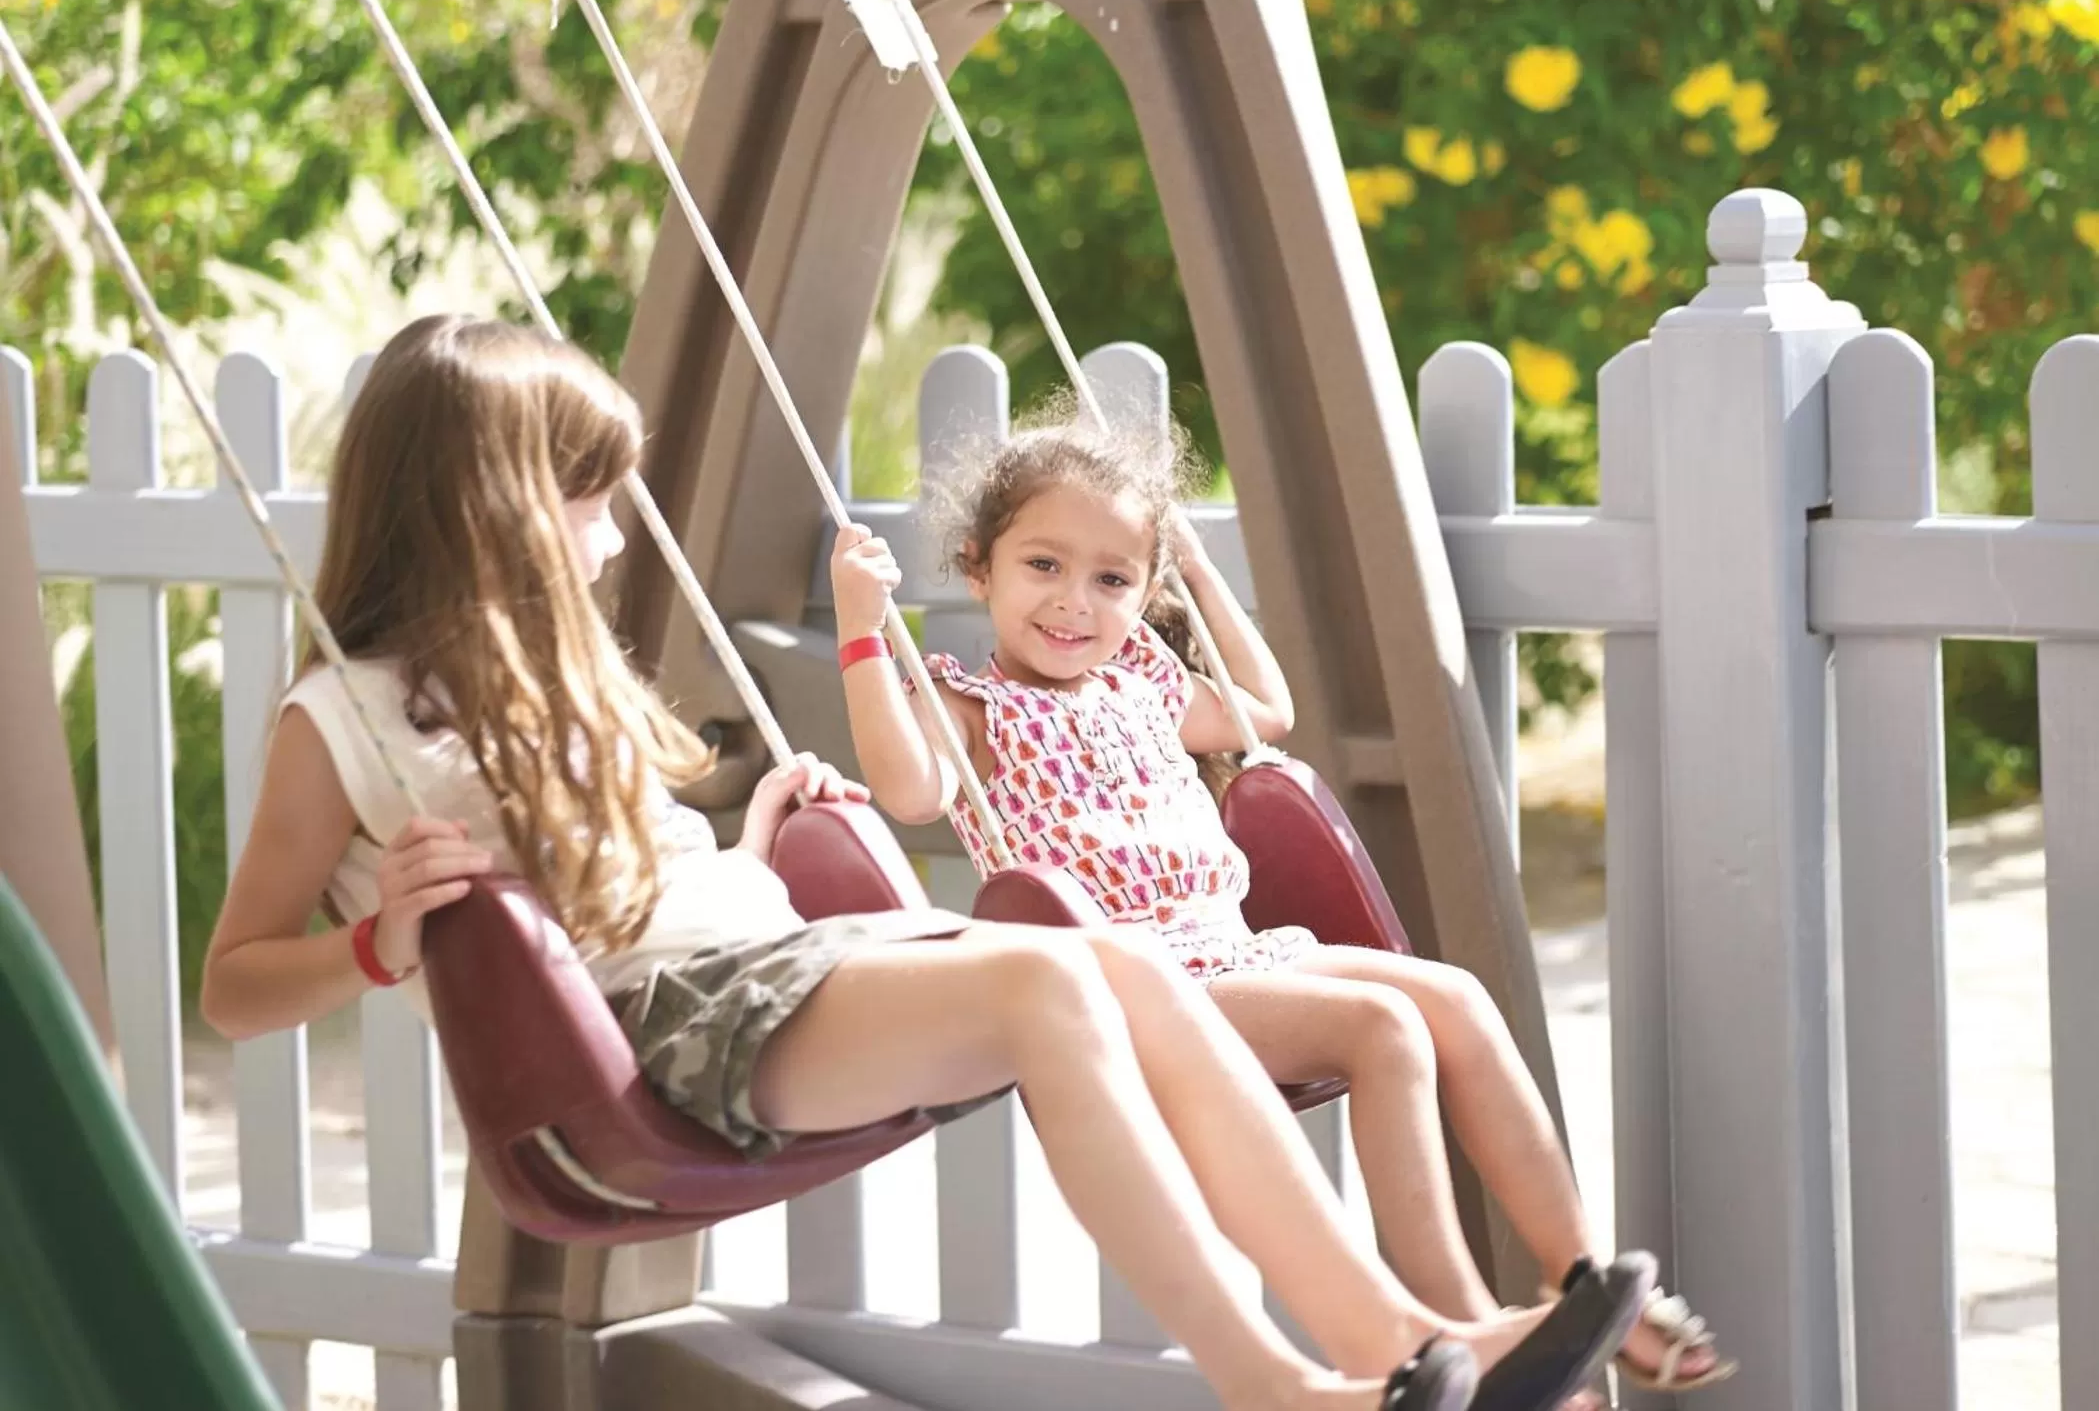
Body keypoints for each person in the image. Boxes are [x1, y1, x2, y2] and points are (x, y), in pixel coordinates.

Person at [200, 316, 1652, 1411]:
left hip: (766, 969)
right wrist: (378, 946)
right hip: (670, 1039)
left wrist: (755, 842)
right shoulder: (344, 716)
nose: (612, 529)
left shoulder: (566, 671)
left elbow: (629, 886)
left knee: (1117, 966)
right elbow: (235, 987)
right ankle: (1298, 1393)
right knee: (1044, 986)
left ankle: (1408, 1344)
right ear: (491, 500)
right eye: (588, 495)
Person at [832, 418, 1731, 1397]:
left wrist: (1199, 576)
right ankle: (1467, 1326)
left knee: (1455, 997)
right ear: (978, 568)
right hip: (1145, 993)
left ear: (1145, 586)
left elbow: (1263, 708)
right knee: (1381, 1028)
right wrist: (861, 632)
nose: (1073, 602)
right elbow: (910, 788)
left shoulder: (1141, 685)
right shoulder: (974, 711)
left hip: (1235, 949)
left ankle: (1583, 1278)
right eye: (1042, 563)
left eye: (1112, 579)